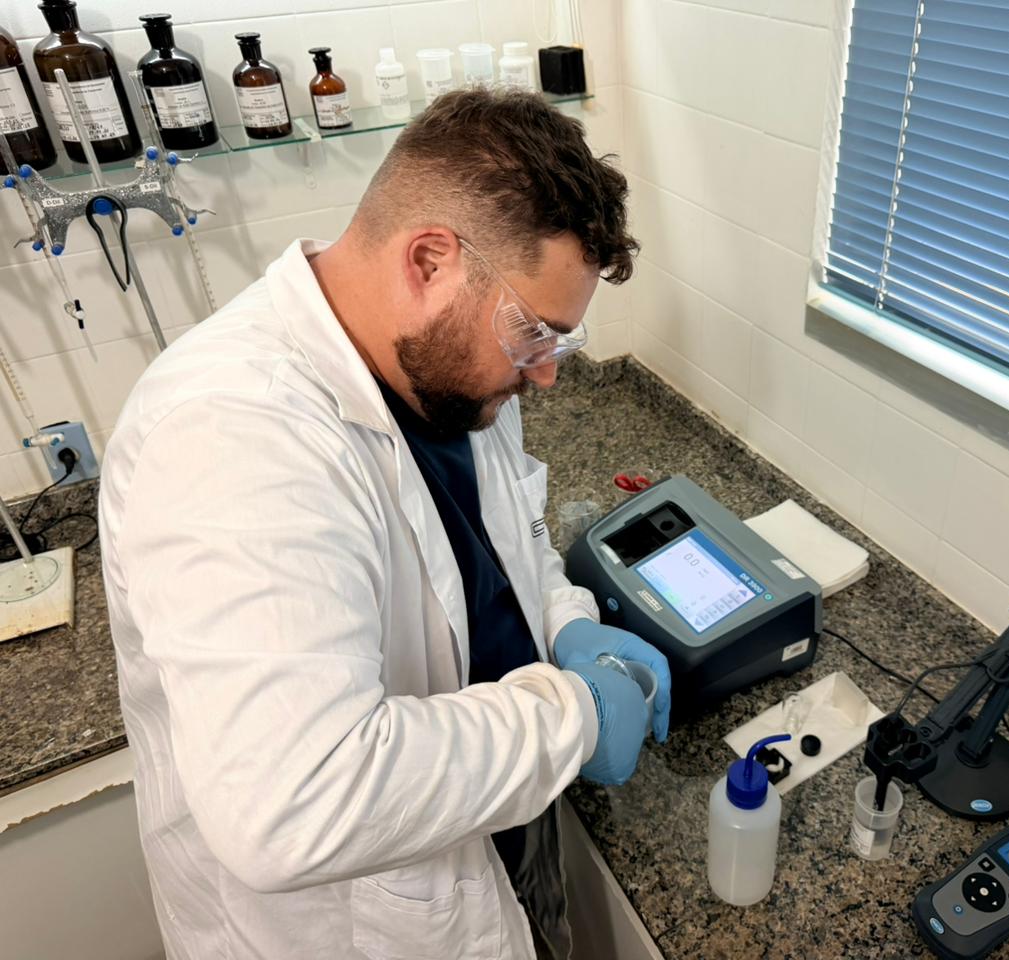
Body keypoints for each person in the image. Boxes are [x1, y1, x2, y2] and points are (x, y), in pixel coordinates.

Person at [98, 87, 670, 960]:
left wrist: (566, 624)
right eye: (535, 333)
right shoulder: (231, 433)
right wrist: (576, 715)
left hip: (490, 825)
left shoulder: (447, 366)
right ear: (430, 260)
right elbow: (294, 802)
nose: (546, 374)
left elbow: (499, 543)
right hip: (355, 925)